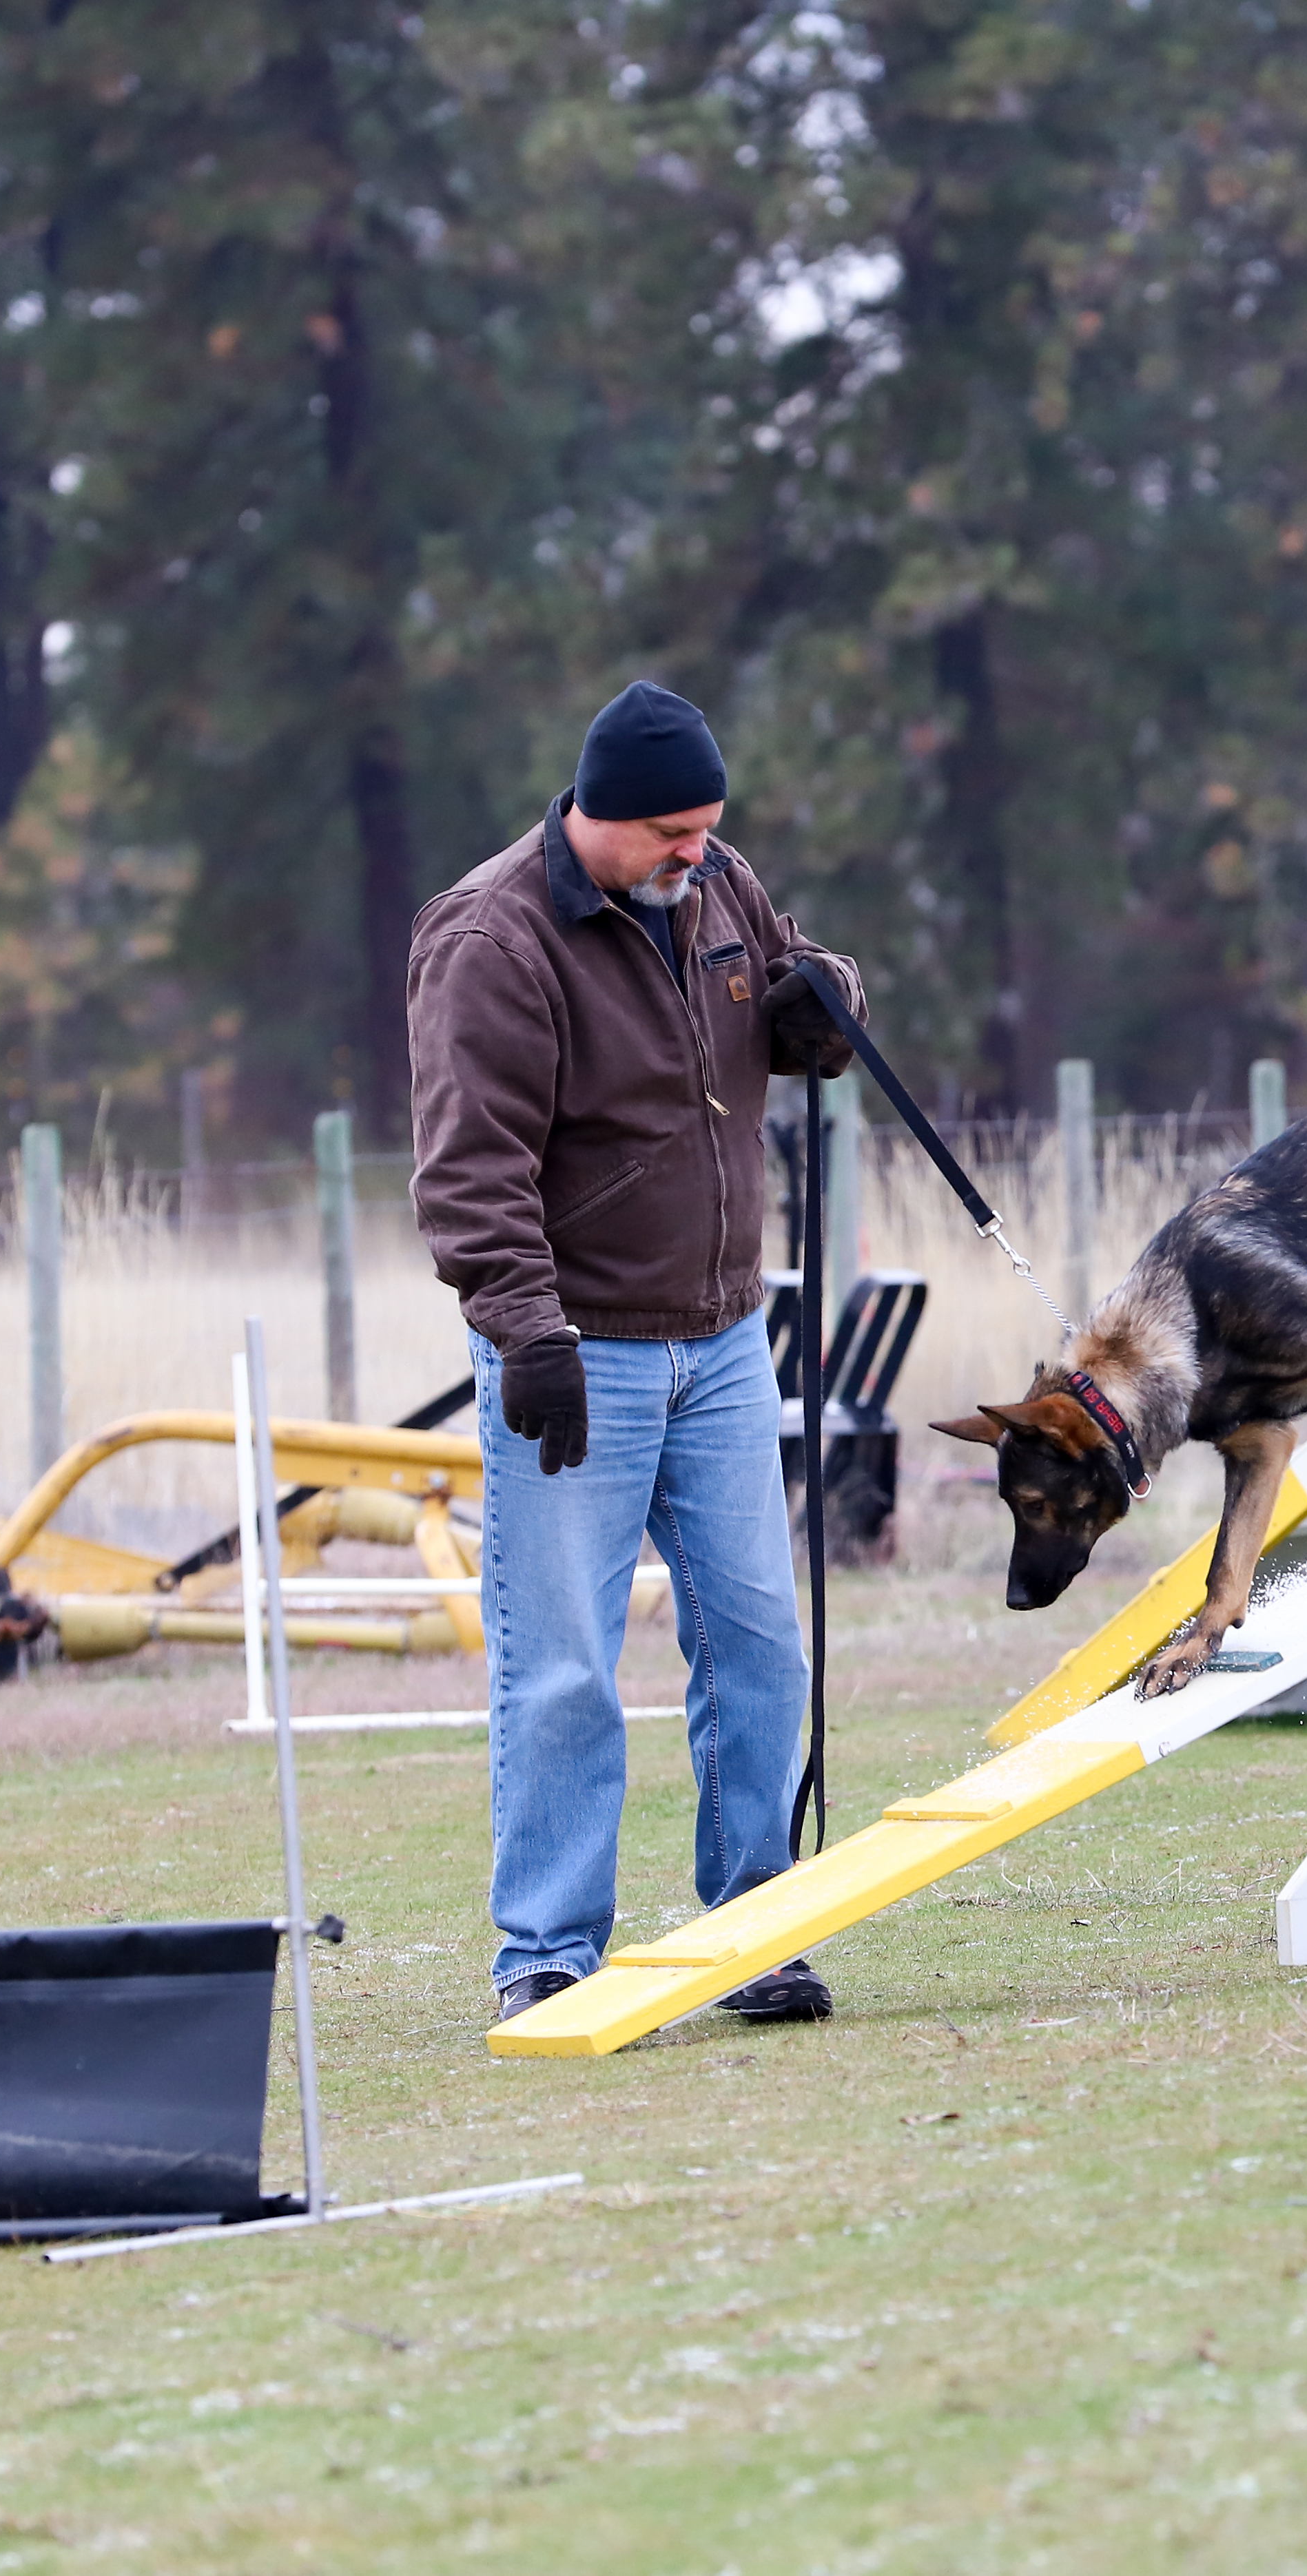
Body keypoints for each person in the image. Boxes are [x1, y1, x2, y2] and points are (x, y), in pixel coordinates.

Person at [408, 681, 863, 2030]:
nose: (695, 854)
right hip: (575, 1353)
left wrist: (824, 999)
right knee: (560, 1666)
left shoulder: (717, 886)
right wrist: (526, 1330)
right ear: (596, 816)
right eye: (670, 832)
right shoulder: (494, 939)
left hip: (722, 1340)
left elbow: (788, 978)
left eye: (709, 829)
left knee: (762, 1646)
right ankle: (547, 1950)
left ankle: (758, 1925)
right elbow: (470, 1166)